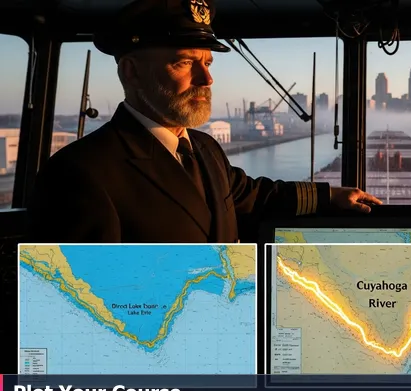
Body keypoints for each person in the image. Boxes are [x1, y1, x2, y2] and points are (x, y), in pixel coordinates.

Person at [26, 0, 381, 243]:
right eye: (184, 62)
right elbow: (79, 310)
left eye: (207, 63)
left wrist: (330, 196)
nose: (206, 79)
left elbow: (251, 195)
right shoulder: (79, 173)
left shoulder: (204, 148)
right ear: (131, 72)